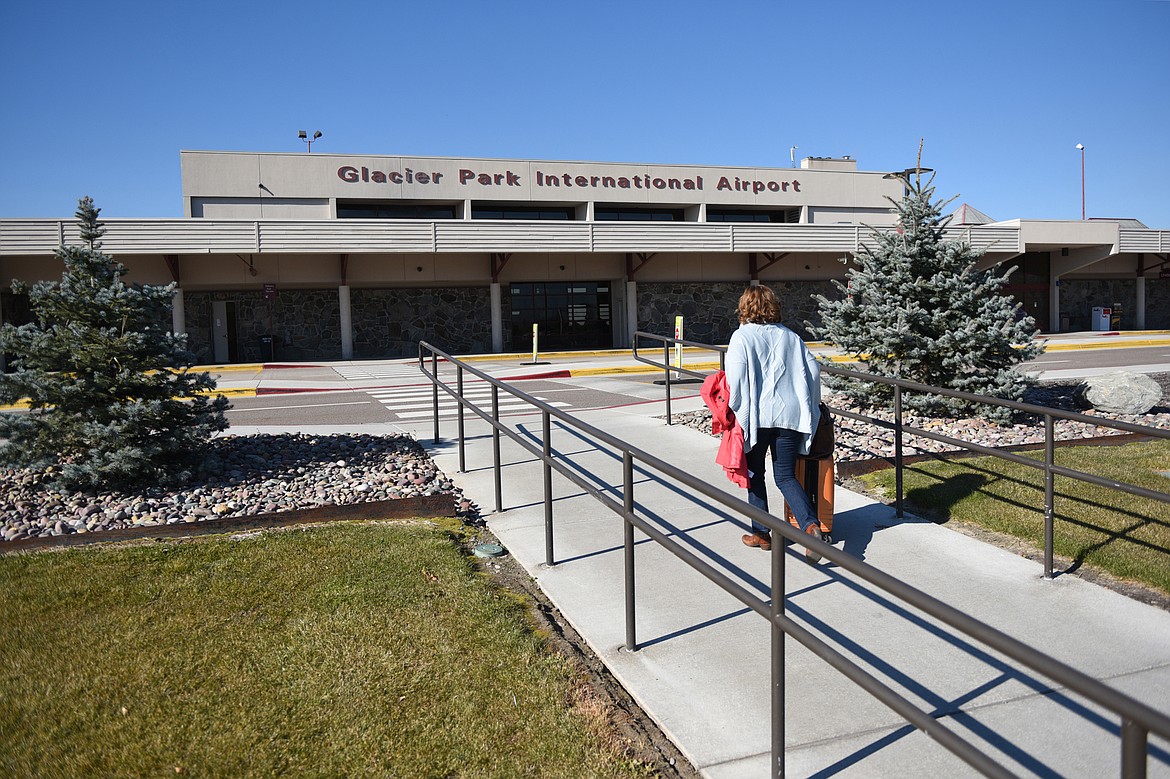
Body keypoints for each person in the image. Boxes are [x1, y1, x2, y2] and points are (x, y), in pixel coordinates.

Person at [724, 285, 824, 562]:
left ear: (744, 307)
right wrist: (810, 404)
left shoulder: (741, 337)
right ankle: (810, 526)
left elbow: (736, 378)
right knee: (785, 476)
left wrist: (736, 410)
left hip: (756, 416)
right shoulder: (792, 338)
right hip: (789, 415)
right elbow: (813, 371)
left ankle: (762, 533)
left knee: (754, 474)